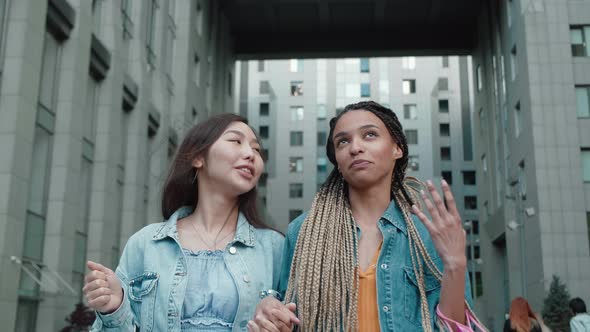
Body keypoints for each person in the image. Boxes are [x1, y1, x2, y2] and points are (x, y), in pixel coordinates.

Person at [248, 101, 486, 331]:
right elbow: (288, 319)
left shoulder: (429, 234)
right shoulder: (304, 231)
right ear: (338, 164)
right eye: (343, 141)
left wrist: (455, 265)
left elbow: (451, 328)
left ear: (397, 149)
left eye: (370, 135)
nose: (355, 147)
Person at [83, 113, 284, 331]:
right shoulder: (146, 244)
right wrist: (113, 309)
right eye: (235, 141)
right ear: (198, 157)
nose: (250, 154)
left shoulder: (275, 248)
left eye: (256, 149)